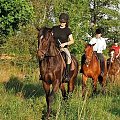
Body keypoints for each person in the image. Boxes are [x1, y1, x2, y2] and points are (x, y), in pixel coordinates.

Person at [52, 13, 74, 81]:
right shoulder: (54, 28)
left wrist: (65, 44)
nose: (62, 23)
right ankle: (42, 73)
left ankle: (66, 75)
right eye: (61, 21)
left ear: (66, 22)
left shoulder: (68, 30)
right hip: (54, 48)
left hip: (63, 48)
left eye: (64, 22)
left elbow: (72, 41)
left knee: (68, 57)